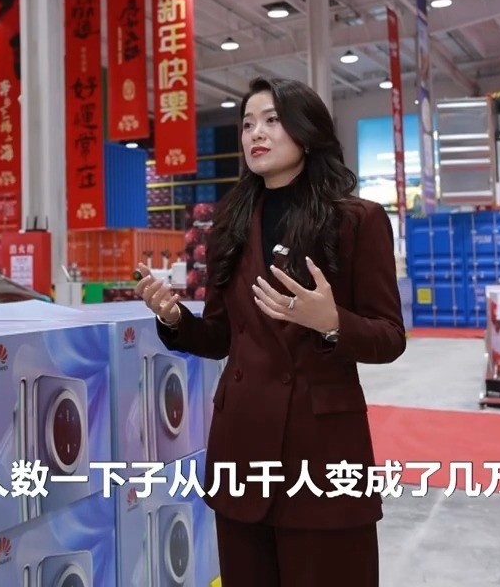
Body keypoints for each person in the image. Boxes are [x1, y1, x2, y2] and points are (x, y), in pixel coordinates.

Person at [134, 76, 407, 586]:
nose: (255, 133)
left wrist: (332, 323)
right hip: (241, 445)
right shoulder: (231, 223)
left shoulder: (357, 220)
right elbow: (220, 336)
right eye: (247, 124)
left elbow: (390, 336)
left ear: (307, 131)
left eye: (272, 120)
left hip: (321, 450)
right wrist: (174, 319)